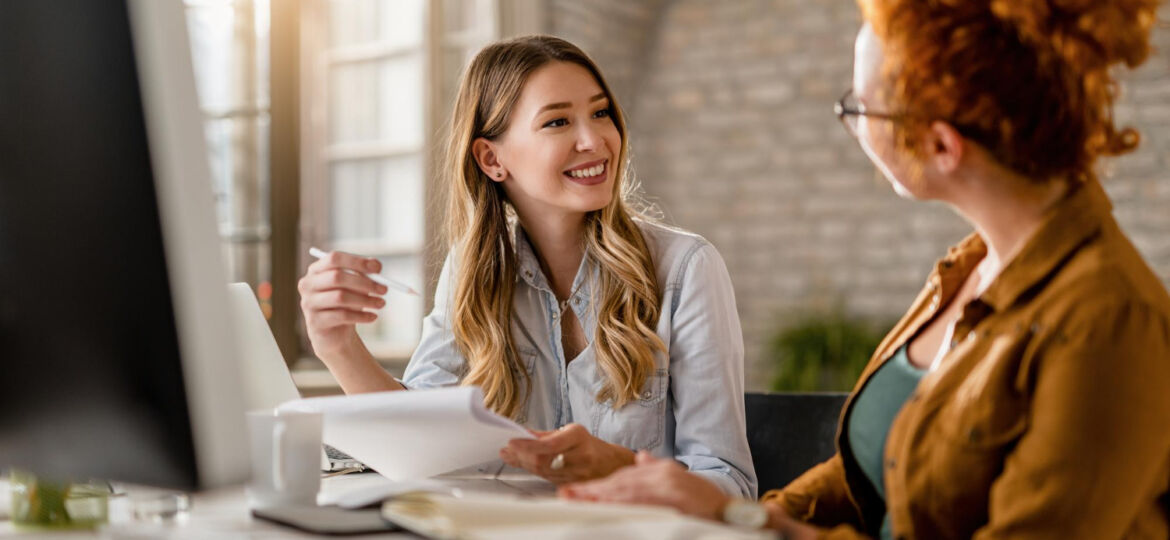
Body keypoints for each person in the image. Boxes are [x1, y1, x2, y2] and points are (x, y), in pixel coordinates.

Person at [561, 1, 1170, 537]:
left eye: (859, 109)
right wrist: (741, 516)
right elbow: (871, 474)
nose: (851, 124)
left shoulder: (1109, 323)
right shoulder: (966, 271)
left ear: (940, 145)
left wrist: (733, 518)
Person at [297, 35, 756, 497]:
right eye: (558, 121)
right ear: (491, 159)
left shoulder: (684, 269)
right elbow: (415, 444)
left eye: (601, 113)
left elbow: (730, 486)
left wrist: (614, 466)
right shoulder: (473, 272)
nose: (594, 140)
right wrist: (338, 347)